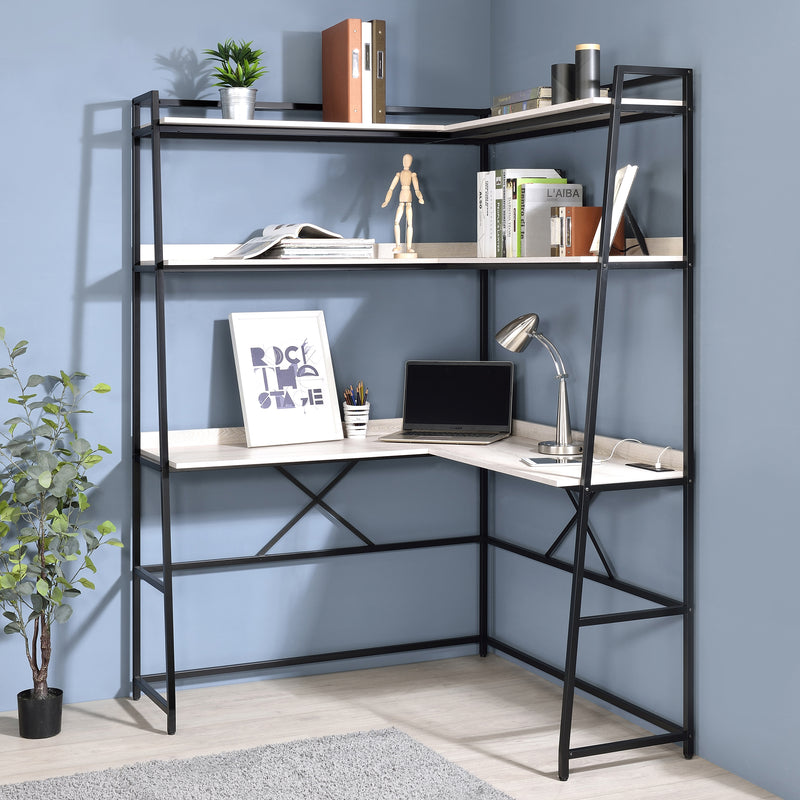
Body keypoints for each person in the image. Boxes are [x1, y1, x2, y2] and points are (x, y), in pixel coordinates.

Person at [381, 153, 424, 257]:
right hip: (401, 199)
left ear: (411, 162)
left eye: (408, 160)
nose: (406, 162)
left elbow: (417, 188)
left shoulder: (412, 175)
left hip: (408, 199)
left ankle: (409, 247)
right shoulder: (399, 174)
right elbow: (391, 188)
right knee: (396, 222)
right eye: (404, 159)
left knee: (410, 223)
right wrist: (386, 200)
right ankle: (398, 245)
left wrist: (420, 197)